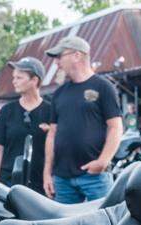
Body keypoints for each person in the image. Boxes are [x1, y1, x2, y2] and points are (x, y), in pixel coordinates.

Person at [42, 35, 123, 203]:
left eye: (59, 56)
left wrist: (103, 161)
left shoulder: (104, 87)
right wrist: (47, 173)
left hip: (95, 176)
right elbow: (52, 134)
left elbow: (116, 127)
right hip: (62, 178)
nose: (56, 62)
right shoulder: (59, 93)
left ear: (77, 55)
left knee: (105, 224)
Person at [0, 57, 53, 194]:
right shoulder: (7, 111)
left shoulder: (50, 111)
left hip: (41, 185)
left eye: (19, 77)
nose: (14, 81)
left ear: (34, 80)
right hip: (9, 184)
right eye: (14, 77)